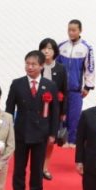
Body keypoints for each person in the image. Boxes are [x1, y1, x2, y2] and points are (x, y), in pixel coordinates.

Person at [5, 51, 59, 190]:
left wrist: (52, 133)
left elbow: (54, 112)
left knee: (37, 169)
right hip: (21, 133)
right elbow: (9, 110)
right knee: (19, 168)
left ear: (42, 66)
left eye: (34, 64)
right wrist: (8, 132)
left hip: (41, 134)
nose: (30, 67)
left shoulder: (50, 86)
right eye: (27, 63)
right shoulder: (17, 84)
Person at [58, 19, 95, 147]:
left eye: (74, 30)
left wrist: (87, 87)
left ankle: (73, 141)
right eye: (69, 30)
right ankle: (61, 140)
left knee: (74, 116)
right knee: (61, 115)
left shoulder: (86, 48)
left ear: (80, 30)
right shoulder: (61, 46)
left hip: (76, 89)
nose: (71, 32)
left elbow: (90, 68)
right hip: (61, 89)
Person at [38, 37, 68, 181]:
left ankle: (45, 167)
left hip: (54, 110)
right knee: (37, 138)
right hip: (37, 110)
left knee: (50, 140)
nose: (47, 51)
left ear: (55, 51)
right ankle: (36, 166)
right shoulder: (37, 66)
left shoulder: (61, 69)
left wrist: (63, 112)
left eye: (50, 48)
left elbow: (64, 91)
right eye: (44, 48)